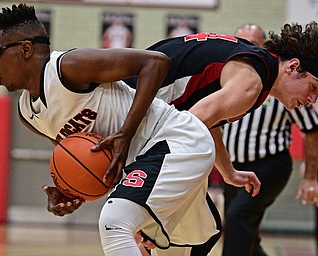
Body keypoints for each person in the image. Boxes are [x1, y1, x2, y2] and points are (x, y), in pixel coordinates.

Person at [0, 4, 260, 256]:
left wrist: (126, 132)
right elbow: (86, 157)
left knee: (114, 223)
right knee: (166, 249)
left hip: (174, 139)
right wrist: (70, 191)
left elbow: (156, 63)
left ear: (25, 49)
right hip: (149, 163)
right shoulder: (28, 114)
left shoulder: (67, 67)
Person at [124, 22, 318, 254]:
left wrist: (228, 171)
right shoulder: (252, 81)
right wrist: (155, 206)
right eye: (313, 87)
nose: (313, 99)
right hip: (130, 107)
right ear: (293, 67)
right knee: (193, 228)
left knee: (203, 230)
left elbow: (206, 122)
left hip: (140, 107)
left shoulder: (256, 69)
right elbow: (185, 131)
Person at [220, 23, 318, 256]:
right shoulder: (229, 76)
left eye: (252, 44)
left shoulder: (285, 83)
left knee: (237, 219)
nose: (245, 48)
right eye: (239, 41)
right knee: (246, 235)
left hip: (269, 165)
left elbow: (313, 128)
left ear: (264, 47)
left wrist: (311, 177)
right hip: (232, 166)